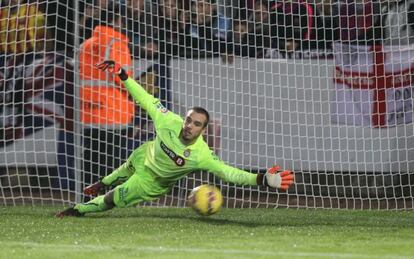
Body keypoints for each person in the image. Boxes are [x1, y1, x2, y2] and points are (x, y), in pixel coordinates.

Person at [56, 60, 295, 217]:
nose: (190, 126)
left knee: (111, 200)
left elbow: (228, 173)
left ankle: (77, 210)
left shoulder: (201, 155)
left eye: (197, 124)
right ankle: (104, 181)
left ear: (203, 130)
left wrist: (261, 179)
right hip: (146, 154)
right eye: (189, 120)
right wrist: (122, 75)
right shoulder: (168, 120)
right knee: (130, 163)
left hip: (152, 183)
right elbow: (146, 99)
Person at [79, 5, 135, 187]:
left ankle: (88, 199)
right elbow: (121, 75)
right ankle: (110, 200)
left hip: (88, 113)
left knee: (90, 164)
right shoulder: (116, 43)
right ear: (117, 20)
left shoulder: (85, 45)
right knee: (113, 166)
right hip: (113, 113)